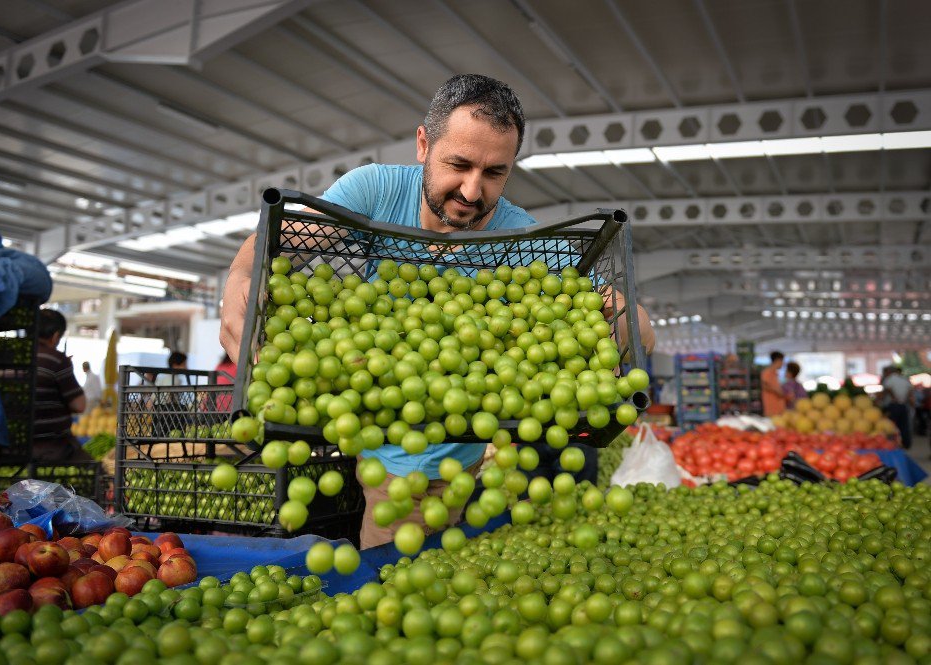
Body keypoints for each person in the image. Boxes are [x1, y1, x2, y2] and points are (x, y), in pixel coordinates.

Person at [220, 74, 656, 548]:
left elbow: (624, 322)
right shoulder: (375, 192)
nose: (472, 192)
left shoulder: (524, 240)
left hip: (461, 440)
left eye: (495, 173)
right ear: (424, 144)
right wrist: (240, 280)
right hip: (380, 430)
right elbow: (280, 249)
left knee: (430, 546)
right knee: (393, 540)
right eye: (459, 164)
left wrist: (626, 325)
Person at [33, 309, 91, 463]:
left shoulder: (11, 357)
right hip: (51, 448)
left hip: (11, 444)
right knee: (99, 474)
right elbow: (80, 406)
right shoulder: (57, 360)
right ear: (56, 336)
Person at [882, 367, 914, 449]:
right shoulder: (904, 380)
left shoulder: (889, 379)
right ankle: (906, 443)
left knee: (891, 426)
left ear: (888, 372)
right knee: (904, 426)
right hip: (903, 405)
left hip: (893, 406)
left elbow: (887, 389)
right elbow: (910, 392)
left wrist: (894, 397)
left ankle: (892, 444)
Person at [761, 351, 787, 417]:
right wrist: (776, 390)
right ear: (777, 360)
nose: (783, 363)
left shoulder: (775, 374)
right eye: (782, 361)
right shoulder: (767, 373)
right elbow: (763, 385)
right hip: (772, 408)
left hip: (778, 408)